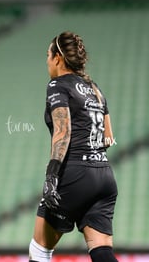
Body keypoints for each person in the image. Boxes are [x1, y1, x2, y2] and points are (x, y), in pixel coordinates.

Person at [29, 32, 119, 262]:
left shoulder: (57, 85)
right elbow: (108, 138)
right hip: (104, 177)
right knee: (101, 250)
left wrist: (51, 176)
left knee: (39, 249)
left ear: (58, 58)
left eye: (48, 55)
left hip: (74, 172)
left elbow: (63, 131)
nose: (47, 61)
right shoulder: (95, 89)